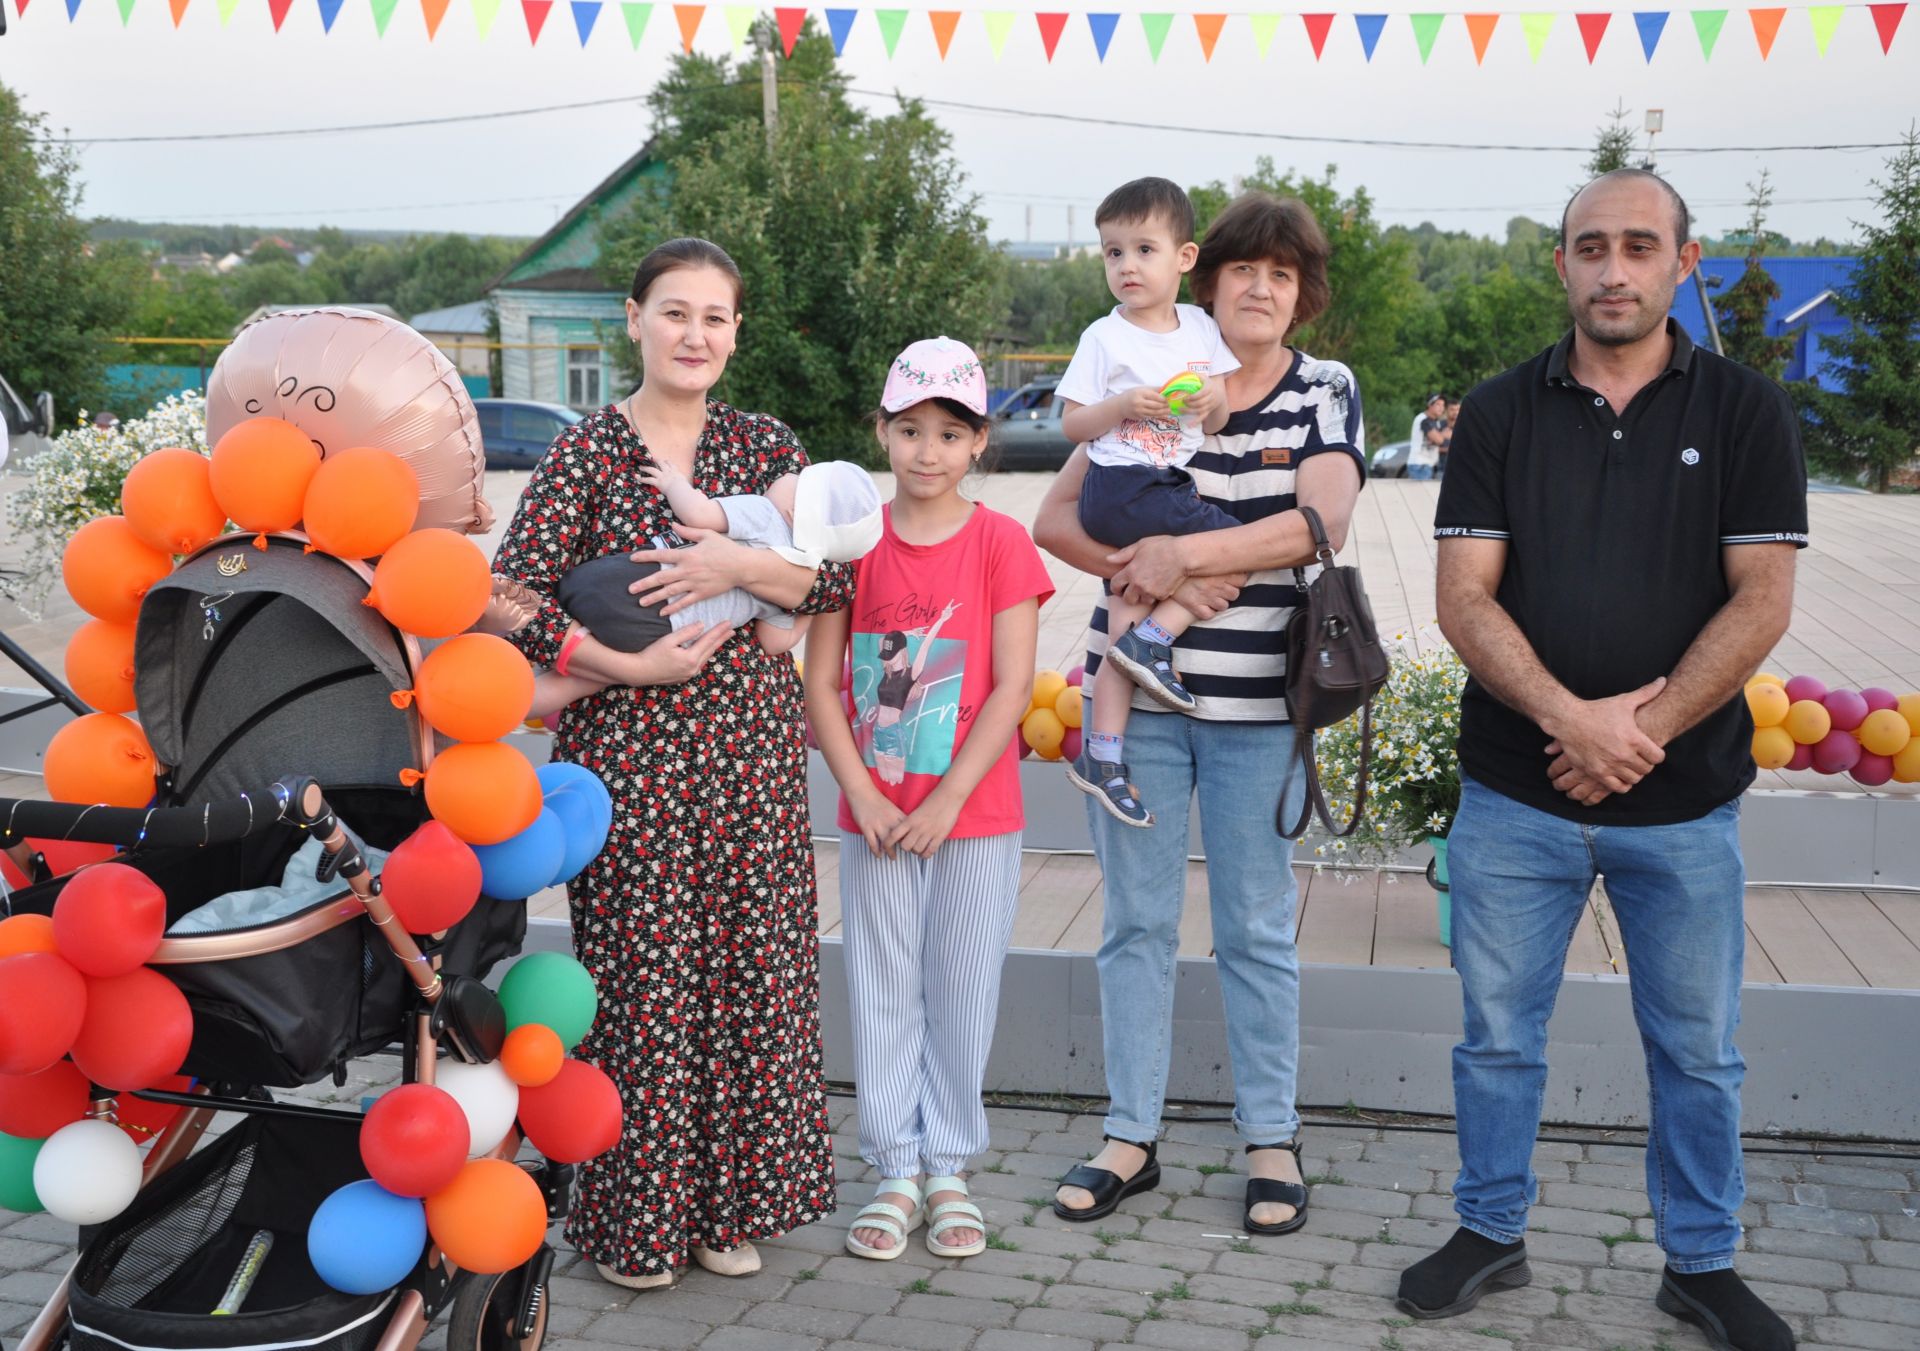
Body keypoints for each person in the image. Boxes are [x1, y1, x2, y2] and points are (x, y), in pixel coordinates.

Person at [1396, 170, 1805, 1351]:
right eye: (1589, 246)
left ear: (1685, 260)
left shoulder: (1743, 412)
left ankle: (1702, 1261)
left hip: (1681, 804)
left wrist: (1640, 732)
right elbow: (1464, 601)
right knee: (1496, 1035)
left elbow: (1763, 601)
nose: (1612, 268)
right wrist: (1572, 722)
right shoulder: (1501, 412)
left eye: (1639, 245)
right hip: (1514, 795)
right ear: (1561, 264)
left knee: (1696, 1049)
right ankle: (1489, 1230)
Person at [490, 237, 854, 1291]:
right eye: (676, 312)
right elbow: (507, 595)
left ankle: (727, 1212)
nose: (697, 334)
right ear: (634, 319)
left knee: (751, 982)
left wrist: (737, 563)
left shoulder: (765, 444)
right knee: (643, 989)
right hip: (628, 764)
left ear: (737, 333)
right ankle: (636, 1224)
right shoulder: (588, 451)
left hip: (749, 765)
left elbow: (832, 584)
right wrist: (616, 662)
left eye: (717, 317)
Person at [1033, 192, 1366, 1237]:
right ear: (1205, 282)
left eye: (1283, 273)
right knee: (1133, 924)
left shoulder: (1324, 390)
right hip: (1139, 707)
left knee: (1257, 930)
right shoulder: (1161, 372)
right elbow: (1054, 516)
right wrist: (1145, 563)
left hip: (1260, 710)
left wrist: (1190, 555)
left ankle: (1271, 1134)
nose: (1262, 286)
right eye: (1243, 270)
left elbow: (1321, 523)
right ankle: (1131, 1135)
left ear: (1301, 293)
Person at [803, 337, 1053, 1261]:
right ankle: (894, 1167)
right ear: (882, 430)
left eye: (950, 432)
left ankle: (948, 1162)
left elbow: (1012, 685)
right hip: (877, 819)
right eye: (909, 430)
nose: (927, 451)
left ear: (979, 442)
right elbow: (823, 681)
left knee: (961, 987)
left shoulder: (1001, 544)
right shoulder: (853, 543)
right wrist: (862, 793)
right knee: (881, 986)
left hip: (973, 820)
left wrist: (948, 797)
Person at [1056, 176, 1239, 828]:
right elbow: (1073, 425)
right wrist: (1122, 406)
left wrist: (1206, 400)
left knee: (1121, 625)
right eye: (1113, 253)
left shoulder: (1198, 327)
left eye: (1143, 249)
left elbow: (1217, 417)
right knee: (1234, 546)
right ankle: (1160, 637)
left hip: (1156, 488)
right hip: (1124, 485)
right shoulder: (1104, 338)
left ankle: (1102, 756)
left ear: (1184, 259)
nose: (1127, 265)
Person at [518, 459, 883, 719]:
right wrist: (801, 608)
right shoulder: (795, 575)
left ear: (795, 510)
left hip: (624, 583)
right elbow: (775, 643)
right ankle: (516, 703)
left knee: (565, 609)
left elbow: (699, 514)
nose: (788, 473)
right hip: (661, 632)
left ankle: (501, 688)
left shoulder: (765, 513)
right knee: (583, 681)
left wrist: (674, 483)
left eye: (798, 478)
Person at [1406, 393, 1445, 480]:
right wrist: (1444, 435)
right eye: (1438, 404)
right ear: (1429, 405)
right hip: (1420, 465)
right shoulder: (1423, 419)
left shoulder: (1436, 422)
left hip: (1427, 465)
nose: (1441, 408)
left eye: (1443, 405)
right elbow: (1439, 440)